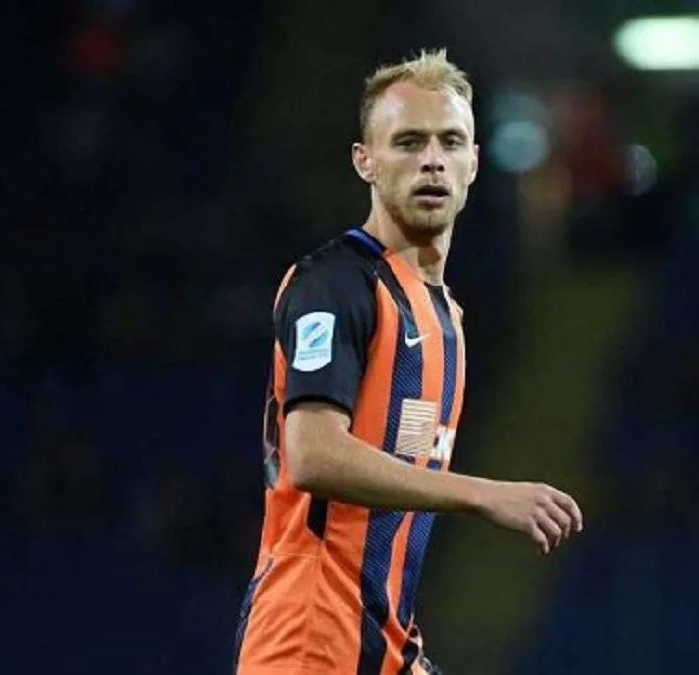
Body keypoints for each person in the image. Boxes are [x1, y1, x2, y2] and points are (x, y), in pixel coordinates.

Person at [234, 49, 584, 675]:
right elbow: (312, 454)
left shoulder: (446, 317)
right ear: (364, 161)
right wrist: (483, 495)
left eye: (450, 141)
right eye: (408, 142)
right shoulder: (336, 285)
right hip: (308, 642)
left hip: (383, 644)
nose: (432, 159)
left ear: (474, 162)